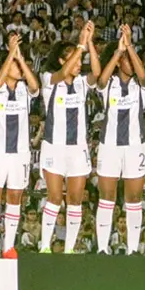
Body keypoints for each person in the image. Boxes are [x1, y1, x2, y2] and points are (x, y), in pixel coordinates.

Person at [38, 21, 100, 254]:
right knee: (54, 198)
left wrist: (89, 43)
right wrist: (80, 44)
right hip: (54, 147)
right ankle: (44, 245)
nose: (78, 62)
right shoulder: (49, 80)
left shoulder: (82, 84)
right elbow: (63, 73)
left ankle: (69, 249)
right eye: (72, 57)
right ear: (63, 60)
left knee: (75, 199)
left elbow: (96, 72)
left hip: (78, 149)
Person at [95, 25, 145, 255]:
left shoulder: (141, 85)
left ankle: (133, 248)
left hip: (135, 145)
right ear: (119, 63)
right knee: (107, 196)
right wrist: (118, 53)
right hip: (109, 146)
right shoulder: (109, 84)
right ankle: (101, 247)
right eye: (127, 61)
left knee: (134, 197)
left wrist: (129, 47)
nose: (132, 64)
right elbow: (99, 82)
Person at [0, 33, 39, 259]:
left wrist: (21, 59)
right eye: (14, 66)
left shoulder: (25, 90)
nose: (18, 69)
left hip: (20, 153)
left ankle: (8, 246)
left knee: (15, 197)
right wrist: (10, 54)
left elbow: (36, 87)